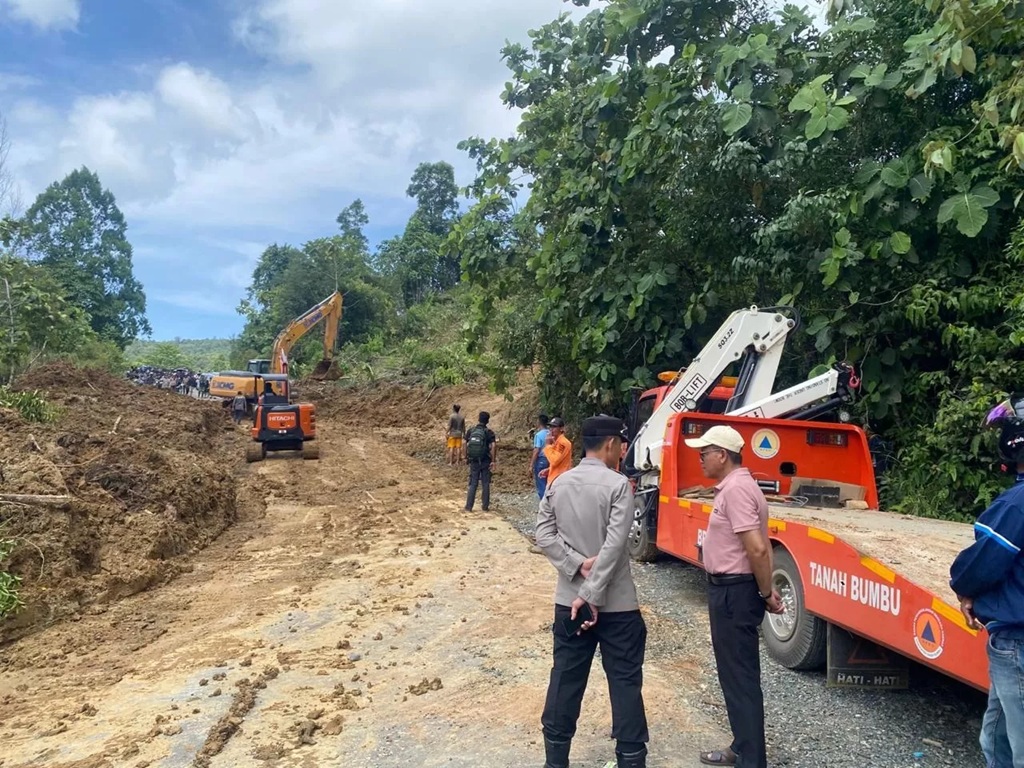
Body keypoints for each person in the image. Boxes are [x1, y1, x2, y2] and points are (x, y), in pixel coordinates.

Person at [536, 415, 648, 768]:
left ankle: (555, 761)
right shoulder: (618, 486)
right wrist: (595, 593)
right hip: (617, 606)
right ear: (612, 444)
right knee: (625, 683)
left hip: (569, 603)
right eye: (621, 445)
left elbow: (543, 535)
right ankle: (631, 759)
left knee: (565, 679)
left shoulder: (560, 484)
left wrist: (575, 566)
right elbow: (616, 546)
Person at [684, 425, 783, 768]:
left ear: (722, 455)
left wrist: (766, 590)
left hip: (733, 592)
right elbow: (762, 545)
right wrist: (766, 593)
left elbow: (756, 548)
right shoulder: (740, 486)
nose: (700, 460)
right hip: (736, 590)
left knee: (739, 677)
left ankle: (749, 758)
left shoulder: (736, 490)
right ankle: (743, 748)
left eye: (704, 453)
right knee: (737, 675)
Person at [950, 395, 1024, 768]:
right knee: (996, 736)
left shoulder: (1017, 503)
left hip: (1017, 641)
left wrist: (964, 589)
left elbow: (983, 563)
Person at [464, 411, 498, 512]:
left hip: (474, 461)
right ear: (487, 421)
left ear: (478, 419)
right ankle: (485, 506)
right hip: (485, 460)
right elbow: (493, 446)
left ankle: (469, 507)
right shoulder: (489, 432)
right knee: (485, 483)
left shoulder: (471, 430)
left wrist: (465, 457)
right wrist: (493, 460)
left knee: (473, 483)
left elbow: (464, 443)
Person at [540, 417, 573, 489]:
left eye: (554, 427)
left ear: (561, 429)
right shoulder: (556, 442)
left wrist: (548, 445)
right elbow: (559, 462)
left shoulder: (563, 443)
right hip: (555, 480)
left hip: (559, 481)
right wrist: (549, 469)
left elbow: (554, 460)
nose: (551, 429)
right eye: (550, 426)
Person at [531, 413, 551, 499]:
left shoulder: (538, 435)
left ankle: (543, 503)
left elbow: (536, 450)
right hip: (551, 459)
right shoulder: (551, 433)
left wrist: (531, 464)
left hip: (541, 460)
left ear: (539, 422)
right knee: (549, 481)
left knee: (541, 482)